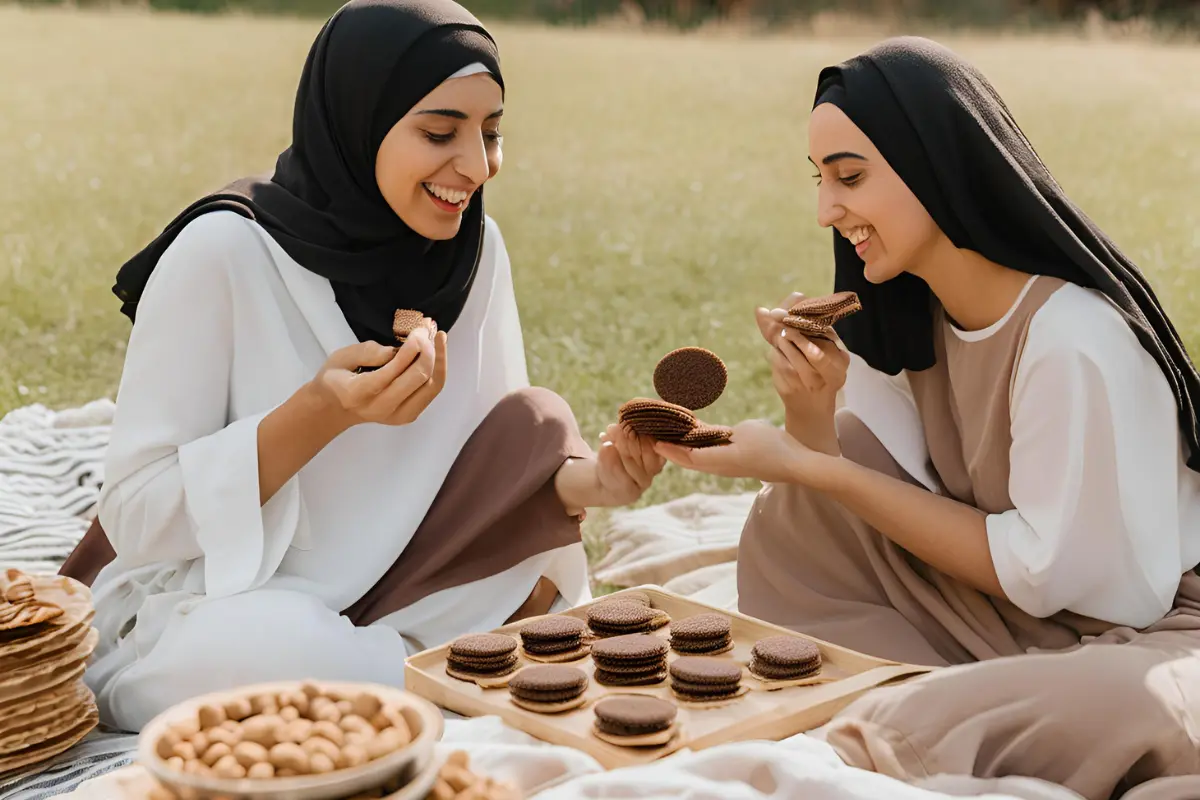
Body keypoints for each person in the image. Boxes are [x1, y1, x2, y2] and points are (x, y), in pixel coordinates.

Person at [58, 0, 665, 733]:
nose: (475, 166)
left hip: (420, 580)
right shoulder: (222, 253)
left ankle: (416, 674)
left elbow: (487, 465)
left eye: (492, 133)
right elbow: (137, 514)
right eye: (441, 132)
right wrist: (318, 415)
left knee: (543, 441)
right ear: (357, 120)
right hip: (235, 595)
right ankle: (448, 676)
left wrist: (595, 482)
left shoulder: (475, 249)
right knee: (260, 646)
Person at [654, 36, 1200, 800]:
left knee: (1119, 703)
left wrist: (809, 464)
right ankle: (937, 698)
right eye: (819, 180)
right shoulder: (909, 313)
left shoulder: (1072, 339)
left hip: (1140, 628)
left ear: (933, 163)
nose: (825, 210)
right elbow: (862, 477)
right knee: (791, 523)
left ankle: (924, 713)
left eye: (849, 177)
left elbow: (1071, 584)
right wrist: (808, 417)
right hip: (991, 608)